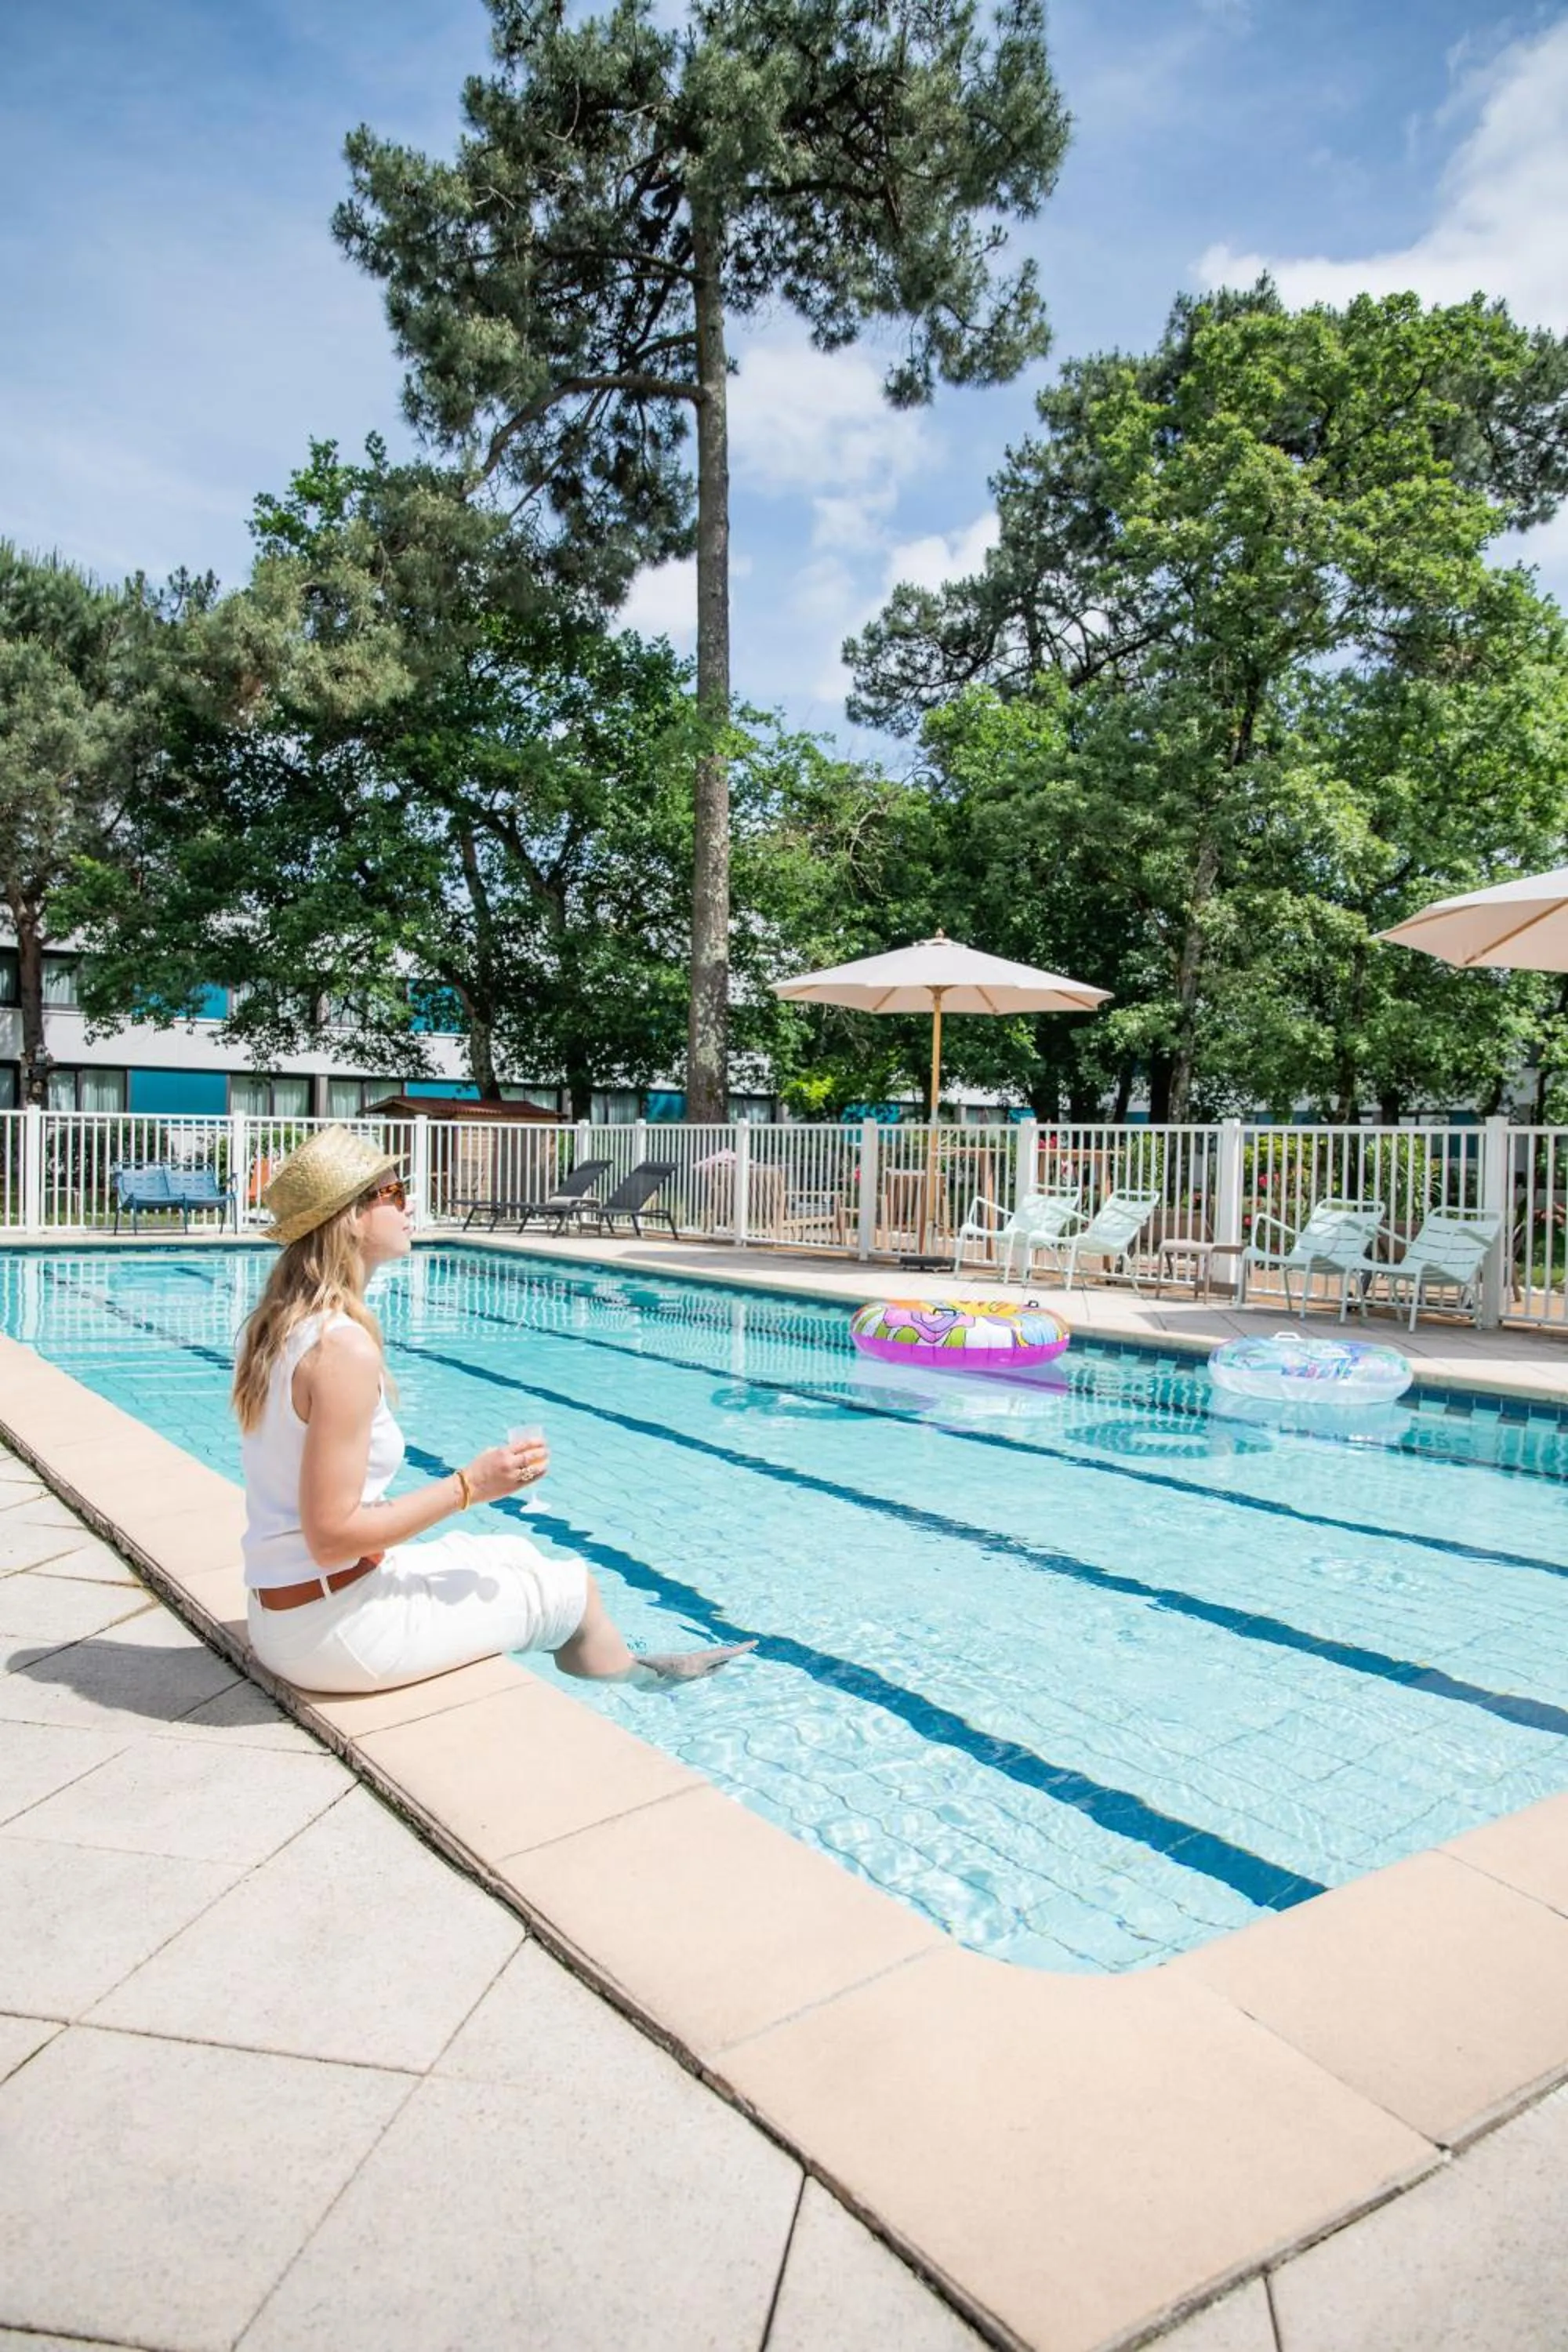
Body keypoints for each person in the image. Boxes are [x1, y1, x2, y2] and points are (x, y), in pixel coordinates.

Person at [234, 1126, 751, 1697]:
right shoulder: (341, 1349)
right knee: (573, 1589)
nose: (410, 1206)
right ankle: (640, 1683)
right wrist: (469, 1486)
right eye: (395, 1194)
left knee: (513, 1552)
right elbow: (331, 1537)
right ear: (351, 1218)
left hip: (292, 1611)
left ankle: (625, 1665)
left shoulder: (279, 1325)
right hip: (336, 1633)